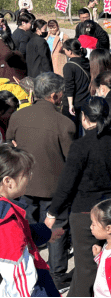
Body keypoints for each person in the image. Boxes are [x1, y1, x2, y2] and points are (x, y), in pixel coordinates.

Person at [46, 97, 111, 297]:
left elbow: (67, 184)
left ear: (84, 118)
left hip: (86, 213)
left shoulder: (81, 146)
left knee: (86, 266)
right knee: (110, 262)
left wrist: (53, 212)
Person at [6, 72, 75, 290]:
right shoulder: (65, 123)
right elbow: (71, 159)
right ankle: (56, 275)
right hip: (54, 189)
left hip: (22, 186)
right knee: (56, 230)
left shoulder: (18, 116)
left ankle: (30, 269)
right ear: (55, 96)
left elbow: (10, 145)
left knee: (27, 230)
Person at [0, 145, 60, 297]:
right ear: (8, 181)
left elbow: (26, 233)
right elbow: (18, 272)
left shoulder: (7, 211)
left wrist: (47, 233)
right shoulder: (7, 220)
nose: (30, 177)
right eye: (25, 173)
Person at [61, 39, 90, 127]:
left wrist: (70, 105)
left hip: (74, 104)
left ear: (70, 51)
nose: (64, 51)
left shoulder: (69, 66)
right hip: (86, 101)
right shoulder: (87, 62)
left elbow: (69, 86)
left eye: (65, 49)